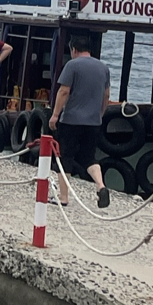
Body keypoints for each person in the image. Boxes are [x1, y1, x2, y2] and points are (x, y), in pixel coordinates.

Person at [49, 33, 111, 208]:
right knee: (89, 157)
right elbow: (106, 95)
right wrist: (100, 113)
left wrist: (55, 115)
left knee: (65, 157)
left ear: (73, 49)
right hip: (93, 121)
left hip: (71, 120)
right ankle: (100, 186)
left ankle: (63, 197)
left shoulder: (72, 65)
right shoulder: (103, 67)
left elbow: (64, 91)